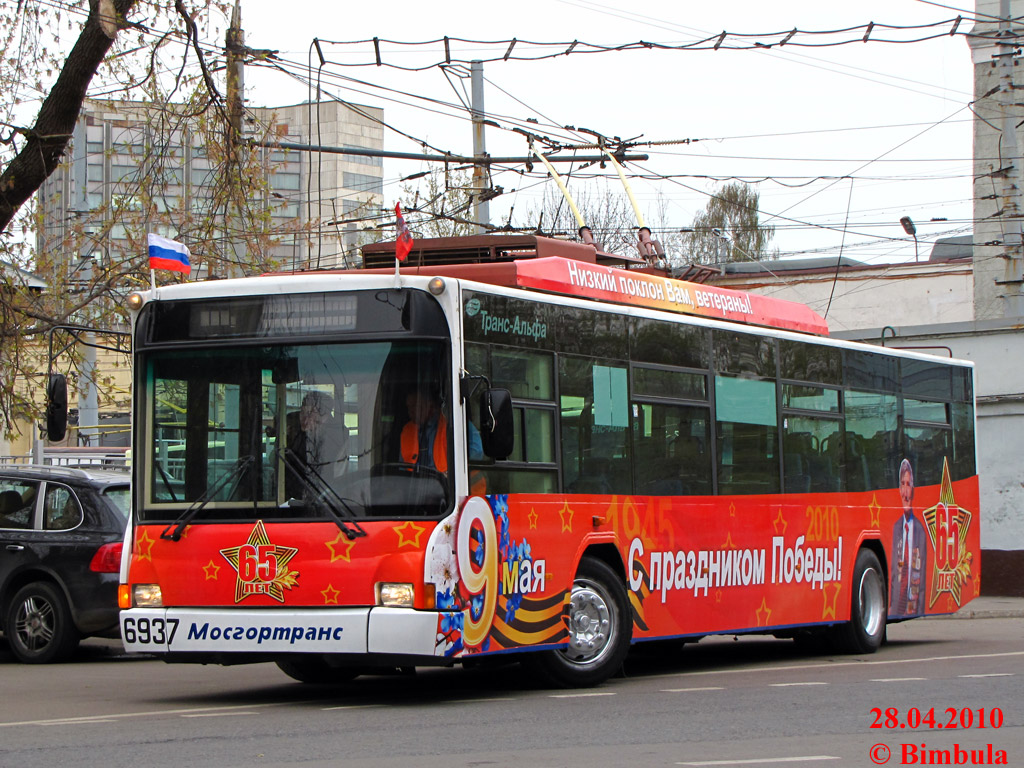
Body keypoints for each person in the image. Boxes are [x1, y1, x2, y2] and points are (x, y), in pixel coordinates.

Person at [286, 390, 349, 499]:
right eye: (302, 412)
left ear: (325, 417)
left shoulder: (336, 439)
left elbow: (336, 475)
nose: (305, 419)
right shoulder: (294, 432)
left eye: (310, 414)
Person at [889, 458, 928, 617]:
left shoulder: (920, 531)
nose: (905, 492)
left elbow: (923, 580)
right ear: (899, 489)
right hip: (897, 606)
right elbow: (893, 574)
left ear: (913, 489)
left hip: (913, 604)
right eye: (902, 485)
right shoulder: (896, 528)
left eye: (908, 484)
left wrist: (919, 611)